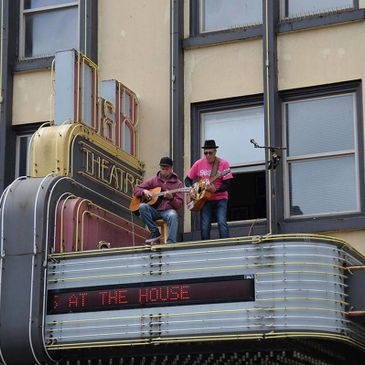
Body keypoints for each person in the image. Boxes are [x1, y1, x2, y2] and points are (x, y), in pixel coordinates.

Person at [185, 140, 233, 240]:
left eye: (210, 153)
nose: (208, 155)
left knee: (221, 221)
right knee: (205, 224)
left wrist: (215, 190)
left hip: (220, 198)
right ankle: (205, 247)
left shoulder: (223, 164)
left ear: (215, 152)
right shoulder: (198, 163)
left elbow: (228, 184)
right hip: (204, 199)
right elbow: (187, 179)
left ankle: (226, 245)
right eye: (205, 153)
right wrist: (191, 190)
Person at [133, 157, 184, 244]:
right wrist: (144, 191)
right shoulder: (154, 180)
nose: (164, 171)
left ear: (171, 169)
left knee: (173, 215)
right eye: (162, 168)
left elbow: (178, 205)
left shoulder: (178, 184)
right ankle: (155, 232)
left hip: (168, 211)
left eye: (166, 169)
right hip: (154, 211)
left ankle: (171, 242)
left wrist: (171, 198)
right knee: (142, 207)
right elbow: (136, 190)